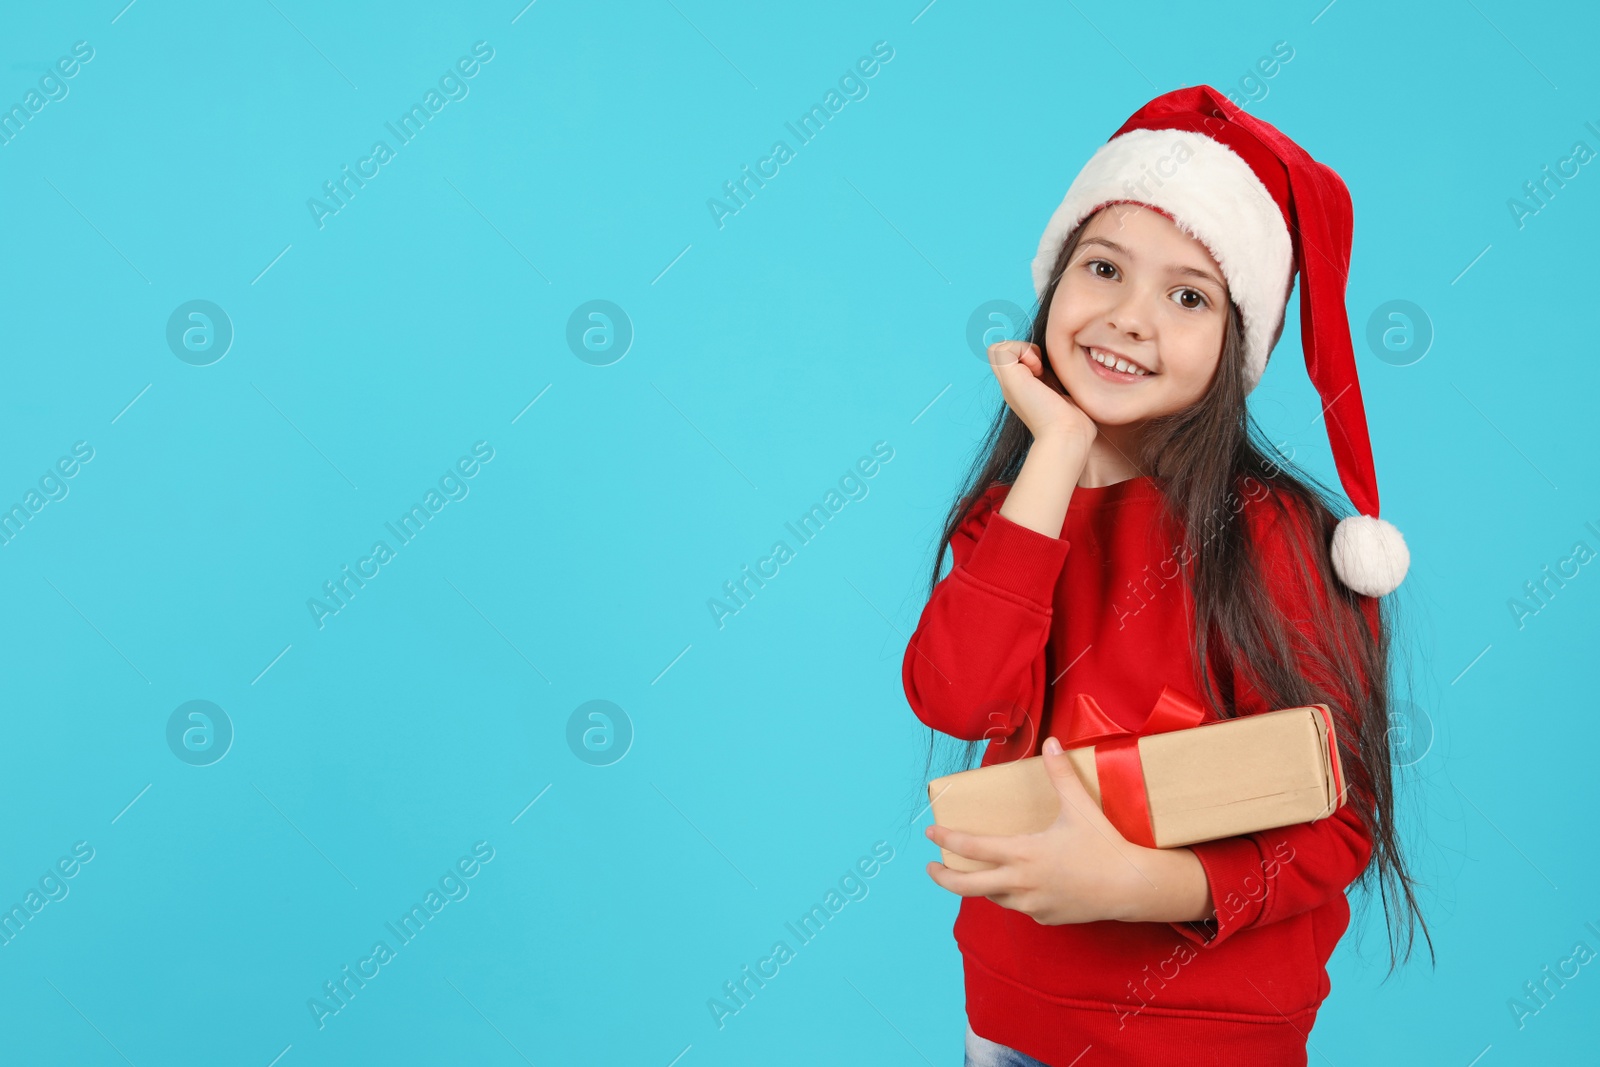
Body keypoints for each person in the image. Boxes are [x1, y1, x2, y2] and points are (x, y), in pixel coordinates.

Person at [902, 86, 1434, 1066]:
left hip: (1199, 1036)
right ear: (1053, 280)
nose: (1127, 317)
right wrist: (1055, 447)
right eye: (1101, 267)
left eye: (1186, 294)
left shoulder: (1270, 536)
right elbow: (957, 696)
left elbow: (1340, 821)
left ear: (1237, 345)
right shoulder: (1012, 516)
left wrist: (1134, 885)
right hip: (1010, 1016)